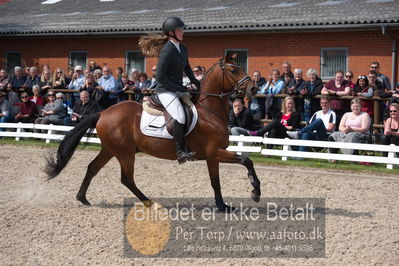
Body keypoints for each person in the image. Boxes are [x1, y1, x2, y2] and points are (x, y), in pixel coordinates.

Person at [153, 16, 201, 164]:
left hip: (177, 89)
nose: (182, 32)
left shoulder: (182, 48)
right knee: (180, 116)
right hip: (165, 91)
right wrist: (179, 87)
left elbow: (187, 67)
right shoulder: (167, 50)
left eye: (182, 29)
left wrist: (196, 82)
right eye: (179, 30)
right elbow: (160, 76)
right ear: (171, 33)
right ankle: (180, 152)